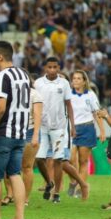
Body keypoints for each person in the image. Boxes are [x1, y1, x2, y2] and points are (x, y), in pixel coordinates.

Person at [0, 40, 30, 219]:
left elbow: (1, 107)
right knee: (15, 174)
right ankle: (19, 217)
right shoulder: (24, 75)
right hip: (20, 133)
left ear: (0, 56)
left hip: (4, 132)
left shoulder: (2, 76)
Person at [34, 56, 76, 203]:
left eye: (55, 67)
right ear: (45, 68)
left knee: (58, 160)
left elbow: (69, 105)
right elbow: (34, 105)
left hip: (59, 127)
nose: (52, 70)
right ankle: (49, 182)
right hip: (42, 127)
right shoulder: (38, 83)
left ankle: (56, 193)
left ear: (59, 68)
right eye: (49, 67)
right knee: (39, 159)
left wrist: (73, 126)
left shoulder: (64, 83)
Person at [68, 70, 105, 197]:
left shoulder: (90, 95)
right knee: (70, 159)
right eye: (74, 78)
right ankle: (73, 181)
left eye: (79, 78)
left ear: (84, 81)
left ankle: (79, 188)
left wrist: (102, 131)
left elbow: (96, 113)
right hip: (71, 129)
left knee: (83, 161)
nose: (76, 80)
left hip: (87, 128)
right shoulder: (68, 95)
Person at [22, 77, 43, 205]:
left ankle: (25, 198)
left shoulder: (34, 94)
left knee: (27, 167)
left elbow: (37, 116)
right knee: (11, 167)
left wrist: (35, 135)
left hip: (29, 132)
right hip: (14, 131)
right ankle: (11, 194)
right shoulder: (12, 92)